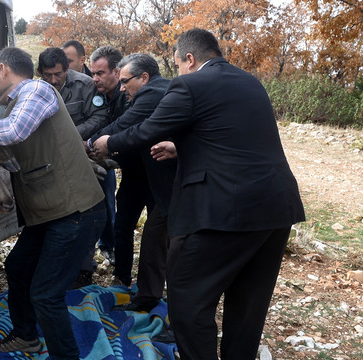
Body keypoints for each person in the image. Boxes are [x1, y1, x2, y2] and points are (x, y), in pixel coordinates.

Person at [93, 28, 305, 359]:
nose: (177, 72)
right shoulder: (250, 82)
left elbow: (148, 130)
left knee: (188, 300)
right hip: (277, 207)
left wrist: (109, 143)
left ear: (189, 59)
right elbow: (234, 138)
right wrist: (181, 148)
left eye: (178, 64)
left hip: (228, 209)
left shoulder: (189, 84)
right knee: (247, 307)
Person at [0, 46, 106, 360]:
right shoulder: (17, 104)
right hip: (51, 213)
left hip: (74, 211)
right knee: (18, 267)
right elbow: (13, 158)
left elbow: (14, 132)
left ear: (2, 69)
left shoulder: (36, 90)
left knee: (46, 294)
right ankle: (27, 336)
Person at [87, 53, 175, 312]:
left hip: (166, 182)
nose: (123, 86)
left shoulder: (152, 92)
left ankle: (151, 299)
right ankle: (137, 287)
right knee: (137, 233)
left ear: (144, 77)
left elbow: (128, 126)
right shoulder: (155, 91)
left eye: (126, 81)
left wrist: (93, 143)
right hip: (147, 178)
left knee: (156, 242)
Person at [36, 47, 109, 287]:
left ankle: (84, 269)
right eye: (48, 75)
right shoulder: (36, 90)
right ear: (40, 73)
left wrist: (70, 136)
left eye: (58, 74)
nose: (54, 80)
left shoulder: (85, 85)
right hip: (51, 163)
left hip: (83, 158)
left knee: (87, 212)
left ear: (68, 68)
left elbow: (99, 117)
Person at [90, 46, 152, 287]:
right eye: (93, 73)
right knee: (123, 227)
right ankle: (122, 278)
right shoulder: (107, 96)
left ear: (116, 72)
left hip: (152, 173)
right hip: (131, 175)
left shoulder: (142, 97)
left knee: (153, 233)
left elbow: (126, 129)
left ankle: (149, 284)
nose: (96, 78)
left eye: (101, 73)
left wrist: (96, 144)